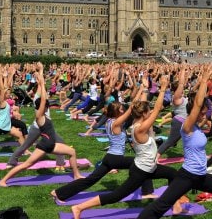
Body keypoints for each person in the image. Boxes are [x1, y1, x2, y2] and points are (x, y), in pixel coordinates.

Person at [70, 76, 183, 218]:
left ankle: (176, 205)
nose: (151, 112)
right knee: (115, 196)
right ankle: (79, 207)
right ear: (144, 114)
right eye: (148, 111)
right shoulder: (140, 129)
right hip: (141, 170)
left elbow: (141, 106)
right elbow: (157, 109)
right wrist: (162, 90)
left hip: (149, 167)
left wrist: (144, 88)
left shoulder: (137, 122)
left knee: (173, 174)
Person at [138, 67, 212, 219]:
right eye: (202, 112)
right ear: (194, 112)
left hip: (200, 176)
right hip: (188, 176)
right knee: (161, 205)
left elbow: (202, 108)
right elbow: (198, 104)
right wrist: (204, 81)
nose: (204, 114)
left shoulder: (197, 127)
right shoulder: (187, 127)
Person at [51, 68, 155, 203]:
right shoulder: (116, 123)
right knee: (143, 164)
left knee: (90, 180)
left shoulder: (110, 121)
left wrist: (142, 89)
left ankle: (59, 192)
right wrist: (142, 88)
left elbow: (132, 105)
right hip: (116, 158)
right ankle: (147, 192)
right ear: (117, 112)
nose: (123, 109)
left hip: (109, 158)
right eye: (121, 109)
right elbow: (132, 107)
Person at [0, 64, 82, 186]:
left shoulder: (41, 110)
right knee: (27, 163)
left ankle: (76, 174)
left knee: (72, 151)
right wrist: (42, 84)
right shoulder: (40, 115)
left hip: (51, 143)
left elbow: (44, 97)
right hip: (45, 144)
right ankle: (3, 180)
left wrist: (41, 77)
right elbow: (43, 100)